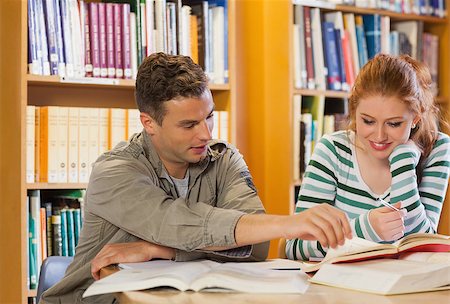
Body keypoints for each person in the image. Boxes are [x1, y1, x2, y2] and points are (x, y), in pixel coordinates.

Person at [40, 53, 352, 304]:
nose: (206, 133)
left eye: (209, 116)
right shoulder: (113, 173)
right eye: (189, 125)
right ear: (149, 123)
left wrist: (160, 250)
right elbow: (176, 223)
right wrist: (289, 223)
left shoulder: (225, 159)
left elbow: (255, 248)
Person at [286, 54, 450, 261]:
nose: (379, 136)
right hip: (339, 289)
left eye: (394, 124)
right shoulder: (333, 150)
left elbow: (422, 245)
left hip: (404, 289)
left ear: (416, 118)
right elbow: (294, 247)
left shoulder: (436, 148)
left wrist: (402, 162)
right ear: (354, 112)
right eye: (368, 121)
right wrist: (364, 229)